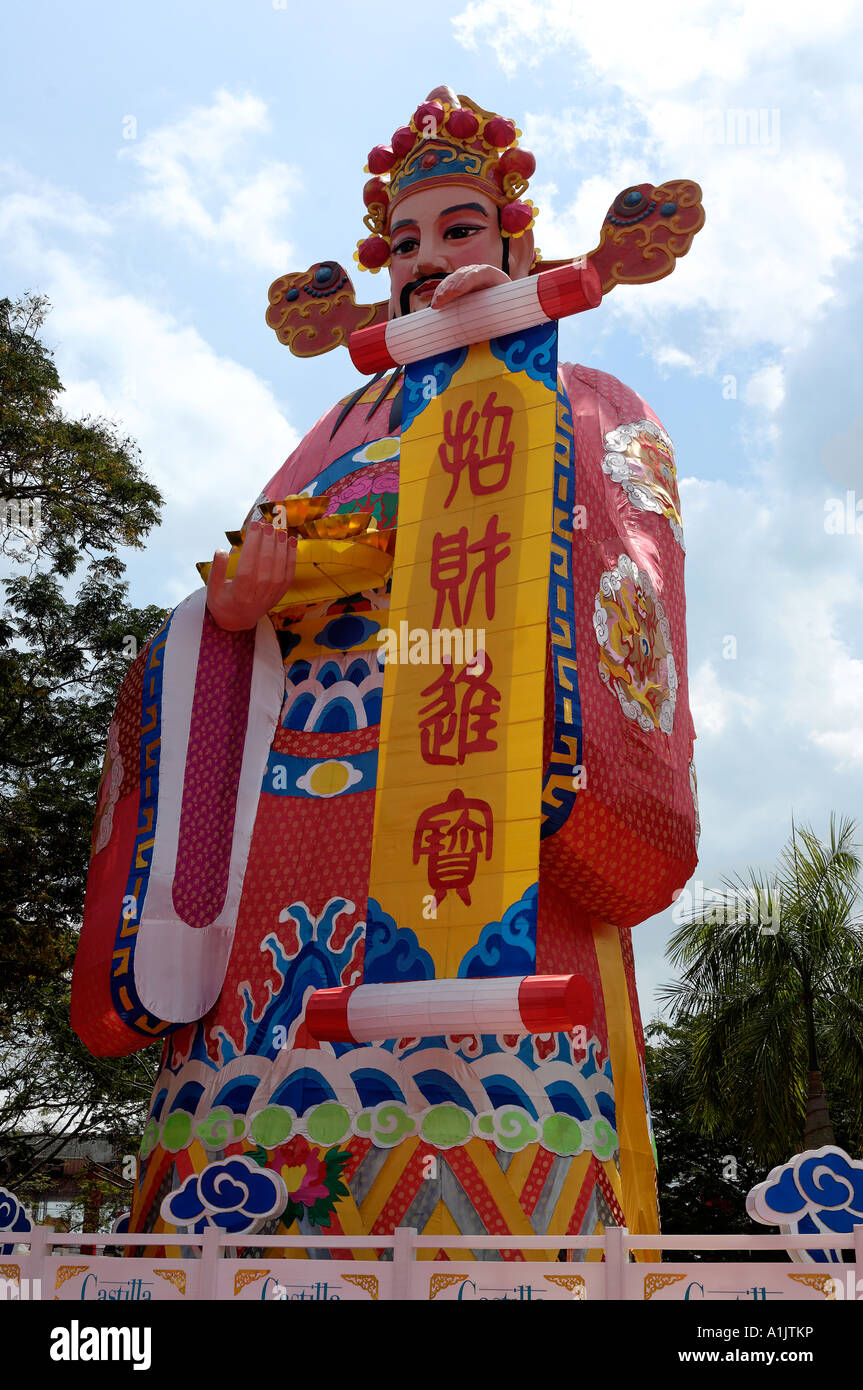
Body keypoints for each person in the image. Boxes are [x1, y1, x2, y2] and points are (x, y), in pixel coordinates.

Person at [72, 88, 698, 1252]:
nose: (428, 263)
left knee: (489, 1092)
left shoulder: (579, 398)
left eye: (460, 231)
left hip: (488, 768)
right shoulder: (336, 430)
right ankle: (235, 1234)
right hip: (298, 797)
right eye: (404, 244)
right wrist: (236, 610)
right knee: (267, 1070)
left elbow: (625, 566)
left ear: (518, 246)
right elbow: (223, 604)